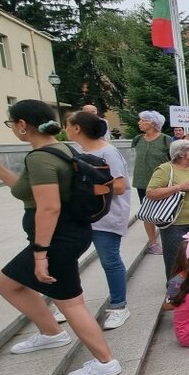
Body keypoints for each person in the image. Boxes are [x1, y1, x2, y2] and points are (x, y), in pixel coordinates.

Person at [0, 100, 122, 375]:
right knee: (5, 282)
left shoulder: (41, 157)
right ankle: (51, 332)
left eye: (11, 124)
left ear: (21, 125)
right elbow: (26, 191)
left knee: (71, 302)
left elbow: (49, 207)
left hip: (57, 240)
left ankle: (105, 361)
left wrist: (41, 254)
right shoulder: (62, 149)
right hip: (69, 234)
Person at [66, 110, 132, 329]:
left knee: (109, 260)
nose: (65, 128)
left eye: (68, 124)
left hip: (107, 215)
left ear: (77, 128)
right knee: (68, 258)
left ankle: (119, 306)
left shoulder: (108, 152)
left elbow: (120, 186)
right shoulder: (78, 152)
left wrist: (84, 189)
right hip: (84, 215)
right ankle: (69, 303)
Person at [145, 139, 189, 282]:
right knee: (176, 259)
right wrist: (178, 187)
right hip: (175, 223)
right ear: (181, 154)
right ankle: (174, 293)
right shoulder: (165, 169)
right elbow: (150, 192)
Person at [132, 110, 172, 254]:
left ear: (153, 123)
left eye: (143, 120)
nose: (139, 123)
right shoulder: (138, 139)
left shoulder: (165, 139)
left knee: (165, 211)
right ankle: (153, 242)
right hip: (142, 181)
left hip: (161, 182)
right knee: (147, 211)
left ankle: (169, 238)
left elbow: (173, 160)